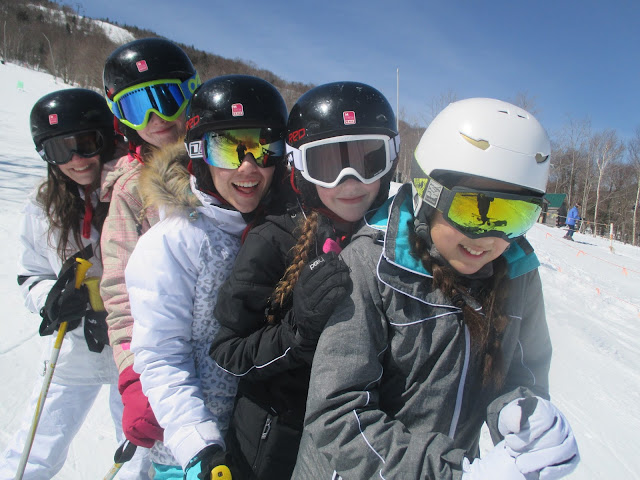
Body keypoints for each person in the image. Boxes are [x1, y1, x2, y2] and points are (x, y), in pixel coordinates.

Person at [292, 98, 580, 479]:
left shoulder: (517, 275)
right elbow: (336, 414)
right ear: (427, 193)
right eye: (471, 208)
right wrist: (452, 474)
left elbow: (521, 374)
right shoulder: (372, 266)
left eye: (512, 215)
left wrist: (520, 411)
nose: (487, 237)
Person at [209, 81, 401, 479]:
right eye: (327, 165)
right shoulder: (274, 239)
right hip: (274, 446)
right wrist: (297, 332)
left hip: (356, 445)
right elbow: (228, 353)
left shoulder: (393, 241)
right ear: (301, 169)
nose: (349, 181)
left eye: (368, 160)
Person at [124, 75, 290, 479]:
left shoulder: (283, 232)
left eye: (263, 147)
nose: (248, 166)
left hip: (259, 444)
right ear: (199, 154)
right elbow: (161, 354)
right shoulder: (175, 241)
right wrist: (197, 443)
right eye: (228, 148)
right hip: (195, 452)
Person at [0, 89, 147, 479]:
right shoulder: (43, 206)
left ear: (106, 139)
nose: (76, 159)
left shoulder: (133, 190)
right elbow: (30, 273)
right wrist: (51, 298)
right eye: (59, 150)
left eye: (86, 143)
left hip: (130, 346)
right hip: (75, 344)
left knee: (137, 453)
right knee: (35, 445)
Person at [99, 37, 200, 464]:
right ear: (121, 117)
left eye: (165, 99)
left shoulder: (227, 163)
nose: (155, 118)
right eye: (137, 106)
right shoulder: (130, 191)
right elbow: (120, 291)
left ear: (190, 95)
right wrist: (133, 377)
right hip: (170, 359)